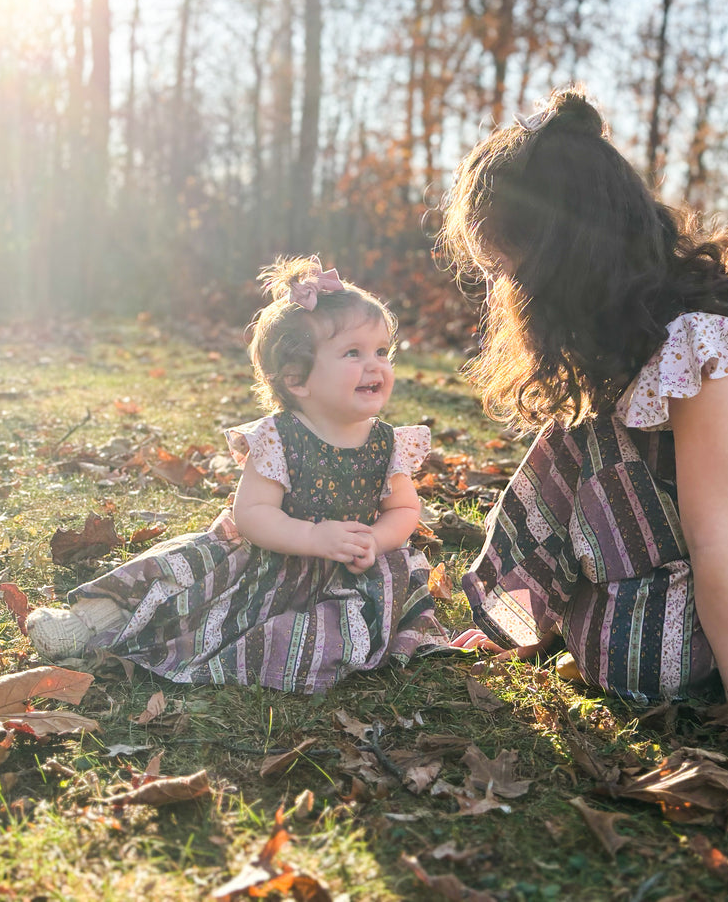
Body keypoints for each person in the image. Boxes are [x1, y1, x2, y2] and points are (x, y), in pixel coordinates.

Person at [438, 88, 728, 738]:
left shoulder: (700, 343)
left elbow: (711, 537)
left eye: (507, 270)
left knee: (624, 653)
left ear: (559, 264)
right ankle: (524, 615)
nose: (502, 292)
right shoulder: (626, 320)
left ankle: (567, 616)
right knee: (575, 438)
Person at [25, 256, 446, 693]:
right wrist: (312, 538)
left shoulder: (387, 443)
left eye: (381, 351)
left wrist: (376, 540)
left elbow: (403, 508)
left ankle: (287, 652)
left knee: (338, 631)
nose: (375, 365)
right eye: (353, 353)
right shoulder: (279, 438)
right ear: (297, 379)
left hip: (347, 571)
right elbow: (253, 514)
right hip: (265, 560)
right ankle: (91, 621)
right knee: (183, 578)